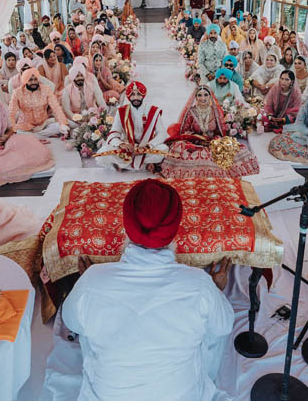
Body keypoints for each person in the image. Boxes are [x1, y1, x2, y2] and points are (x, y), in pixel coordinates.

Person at [56, 179, 234, 401]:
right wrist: (215, 290)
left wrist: (90, 284)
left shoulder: (92, 280)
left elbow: (71, 322)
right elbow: (224, 325)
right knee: (211, 326)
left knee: (89, 325)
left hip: (107, 397)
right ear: (175, 227)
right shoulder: (199, 284)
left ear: (126, 223)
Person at [160, 85, 259, 179]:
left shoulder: (215, 111)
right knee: (179, 149)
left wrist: (214, 141)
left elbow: (220, 132)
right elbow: (184, 131)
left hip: (212, 142)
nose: (203, 98)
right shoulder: (191, 111)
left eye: (205, 95)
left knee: (236, 150)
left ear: (210, 96)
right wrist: (197, 139)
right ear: (195, 97)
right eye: (199, 95)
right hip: (195, 142)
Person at [0, 82, 54, 184]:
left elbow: (11, 128)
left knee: (32, 151)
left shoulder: (1, 109)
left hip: (4, 141)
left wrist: (5, 137)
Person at [97, 81, 169, 172]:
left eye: (138, 94)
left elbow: (162, 133)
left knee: (163, 150)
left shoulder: (153, 111)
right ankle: (145, 166)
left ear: (143, 95)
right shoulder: (122, 111)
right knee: (104, 152)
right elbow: (114, 132)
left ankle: (125, 166)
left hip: (146, 149)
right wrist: (122, 144)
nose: (135, 97)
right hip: (128, 149)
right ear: (128, 96)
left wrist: (148, 146)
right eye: (132, 94)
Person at [8, 68, 69, 138]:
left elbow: (56, 107)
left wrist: (63, 123)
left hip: (43, 125)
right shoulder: (17, 92)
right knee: (18, 132)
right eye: (30, 80)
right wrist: (13, 129)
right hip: (24, 127)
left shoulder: (46, 90)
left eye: (35, 79)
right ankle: (36, 136)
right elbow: (11, 112)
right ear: (25, 81)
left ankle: (33, 137)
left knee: (58, 127)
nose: (34, 82)